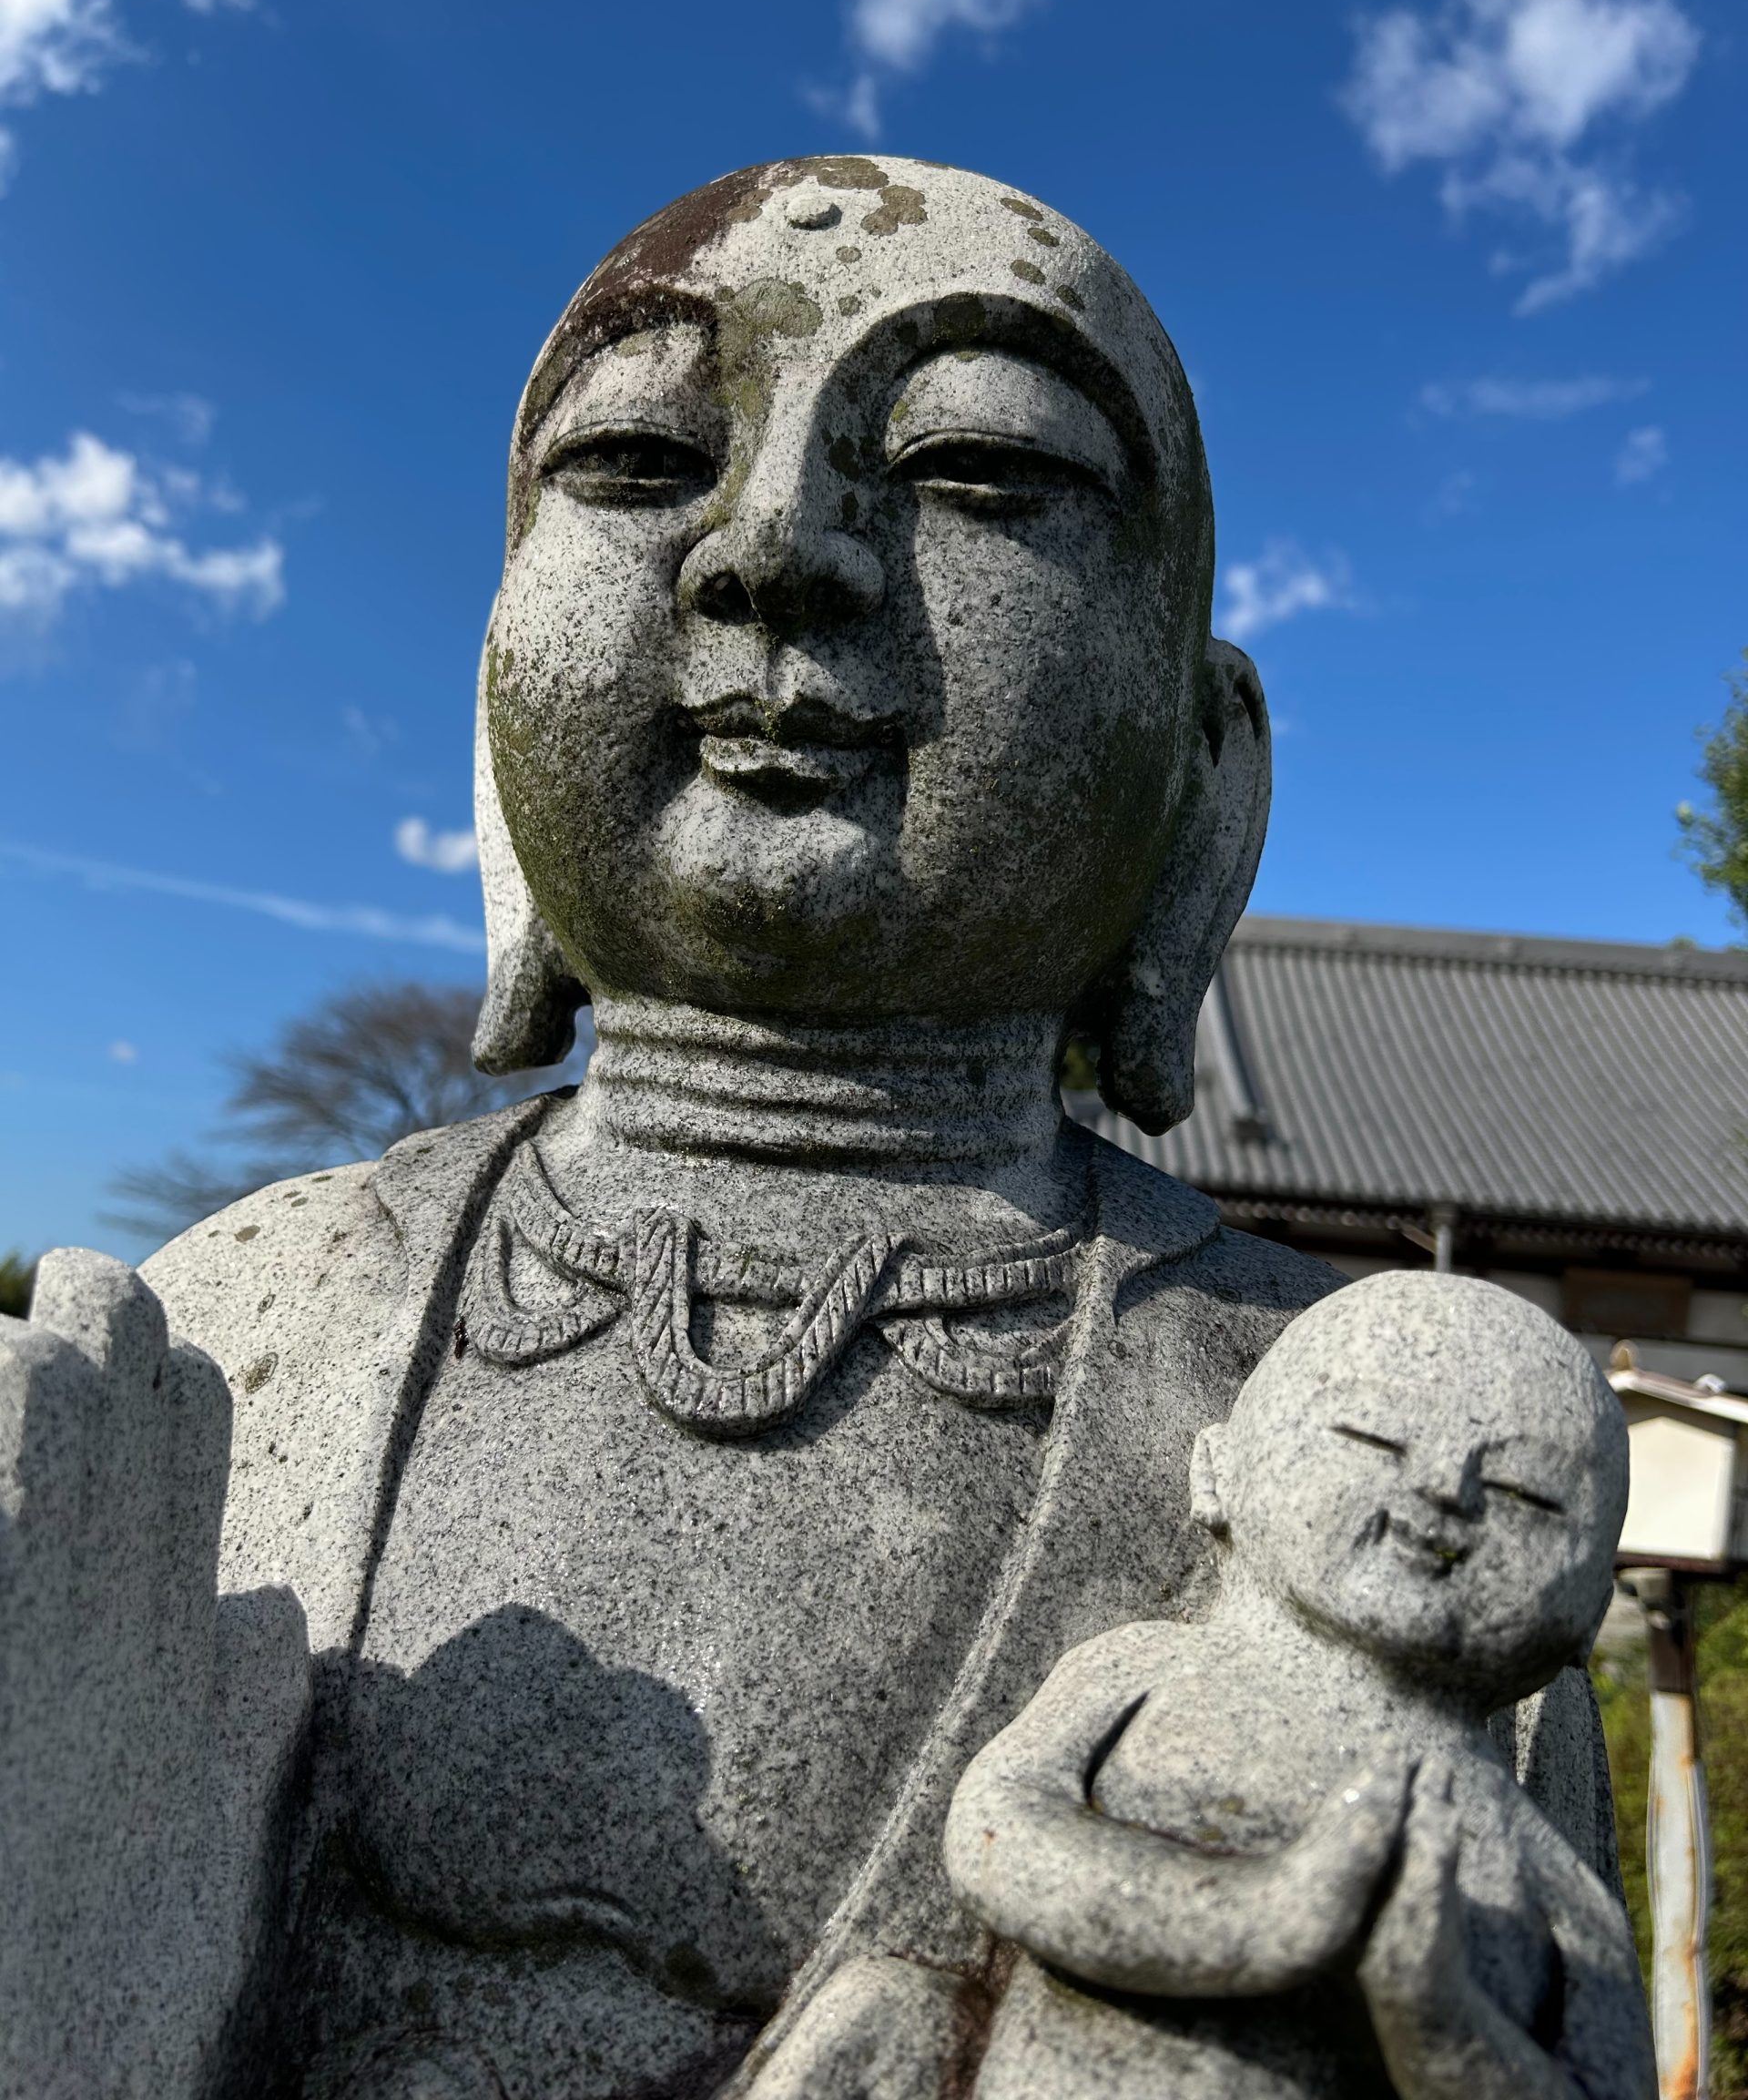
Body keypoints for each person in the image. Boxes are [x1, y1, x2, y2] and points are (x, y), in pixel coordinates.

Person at [0, 160, 1625, 2100]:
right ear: (495, 713)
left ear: (1207, 776)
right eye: (634, 460)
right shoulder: (236, 1328)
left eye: (985, 469)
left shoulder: (1369, 1431)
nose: (775, 546)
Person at [942, 1274, 1654, 2100]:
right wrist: (1254, 1915)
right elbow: (998, 1829)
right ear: (1218, 1472)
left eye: (1524, 1493)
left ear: (1591, 1608)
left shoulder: (1554, 1886)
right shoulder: (1145, 1669)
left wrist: (1440, 2019)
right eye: (1374, 1435)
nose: (1444, 1491)